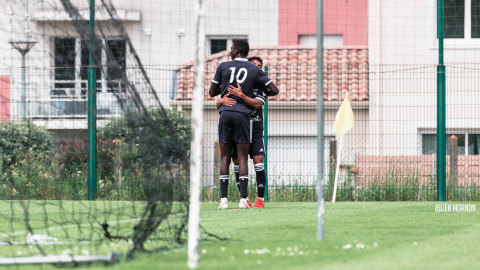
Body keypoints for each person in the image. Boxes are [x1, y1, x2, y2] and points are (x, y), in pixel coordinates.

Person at [209, 40, 278, 209]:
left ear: (235, 50)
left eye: (231, 48)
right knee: (240, 158)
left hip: (231, 116)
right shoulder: (253, 71)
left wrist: (225, 97)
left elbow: (211, 92)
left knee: (229, 158)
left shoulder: (223, 67)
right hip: (242, 117)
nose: (230, 51)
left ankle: (227, 200)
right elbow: (274, 89)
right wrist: (222, 100)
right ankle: (243, 199)